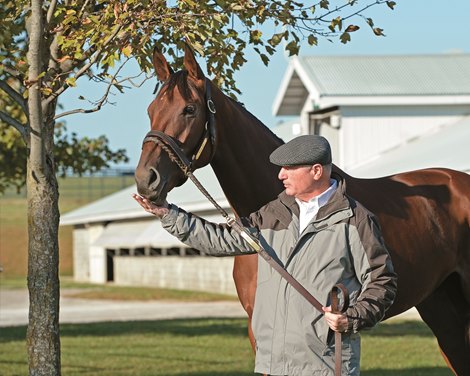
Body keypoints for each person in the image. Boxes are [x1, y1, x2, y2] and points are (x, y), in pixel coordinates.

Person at [133, 135, 397, 376]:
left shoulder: (355, 219)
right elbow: (222, 240)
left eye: (290, 168)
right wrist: (168, 214)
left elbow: (382, 280)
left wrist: (353, 318)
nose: (281, 175)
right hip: (272, 363)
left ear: (316, 171)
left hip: (324, 364)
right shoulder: (275, 212)